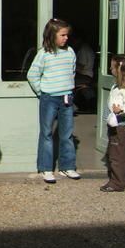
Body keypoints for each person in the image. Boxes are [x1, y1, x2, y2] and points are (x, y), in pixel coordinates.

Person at [27, 18, 80, 184]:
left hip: (67, 97)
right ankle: (46, 168)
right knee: (47, 133)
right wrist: (41, 92)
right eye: (62, 35)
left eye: (67, 35)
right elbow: (32, 74)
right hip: (49, 98)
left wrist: (68, 88)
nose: (66, 38)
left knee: (67, 134)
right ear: (52, 35)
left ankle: (67, 166)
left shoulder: (70, 52)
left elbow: (71, 72)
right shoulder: (44, 54)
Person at [101, 54, 125, 192]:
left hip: (121, 126)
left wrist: (121, 110)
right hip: (118, 125)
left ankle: (117, 183)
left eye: (112, 67)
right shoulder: (117, 85)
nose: (110, 69)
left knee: (115, 155)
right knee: (123, 153)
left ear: (120, 70)